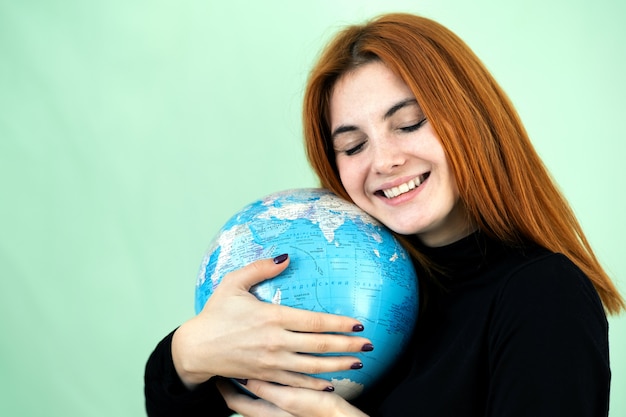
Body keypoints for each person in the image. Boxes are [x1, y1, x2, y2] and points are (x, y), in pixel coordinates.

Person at [144, 13, 624, 416]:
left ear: (471, 120)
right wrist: (186, 356)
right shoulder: (345, 281)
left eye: (409, 123)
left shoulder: (545, 295)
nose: (383, 161)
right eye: (353, 145)